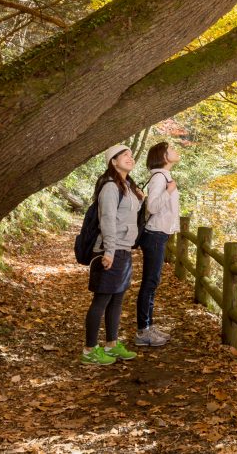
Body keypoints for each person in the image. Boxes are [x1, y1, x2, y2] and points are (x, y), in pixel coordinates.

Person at [81, 144, 141, 365]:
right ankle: (89, 350)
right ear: (113, 161)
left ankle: (112, 344)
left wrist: (140, 199)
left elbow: (127, 215)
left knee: (117, 299)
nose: (129, 157)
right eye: (124, 155)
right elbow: (107, 220)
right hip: (110, 250)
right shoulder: (109, 187)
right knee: (102, 300)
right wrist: (109, 251)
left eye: (131, 155)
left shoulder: (127, 186)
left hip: (123, 249)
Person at [134, 141, 181, 347]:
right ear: (163, 156)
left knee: (153, 283)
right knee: (150, 283)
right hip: (154, 234)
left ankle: (148, 326)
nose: (175, 151)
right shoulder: (160, 178)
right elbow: (152, 206)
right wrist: (169, 191)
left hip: (159, 234)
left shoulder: (164, 177)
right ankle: (143, 331)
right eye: (170, 149)